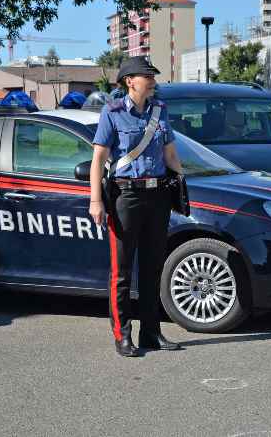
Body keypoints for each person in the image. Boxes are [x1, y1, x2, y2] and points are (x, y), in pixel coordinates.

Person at [89, 56, 184, 357]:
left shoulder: (160, 111)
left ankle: (151, 333)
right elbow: (98, 160)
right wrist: (95, 200)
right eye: (148, 76)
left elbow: (169, 154)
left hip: (157, 197)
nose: (153, 81)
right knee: (122, 271)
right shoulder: (112, 112)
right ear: (130, 81)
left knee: (153, 267)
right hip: (125, 197)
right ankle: (122, 335)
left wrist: (182, 183)